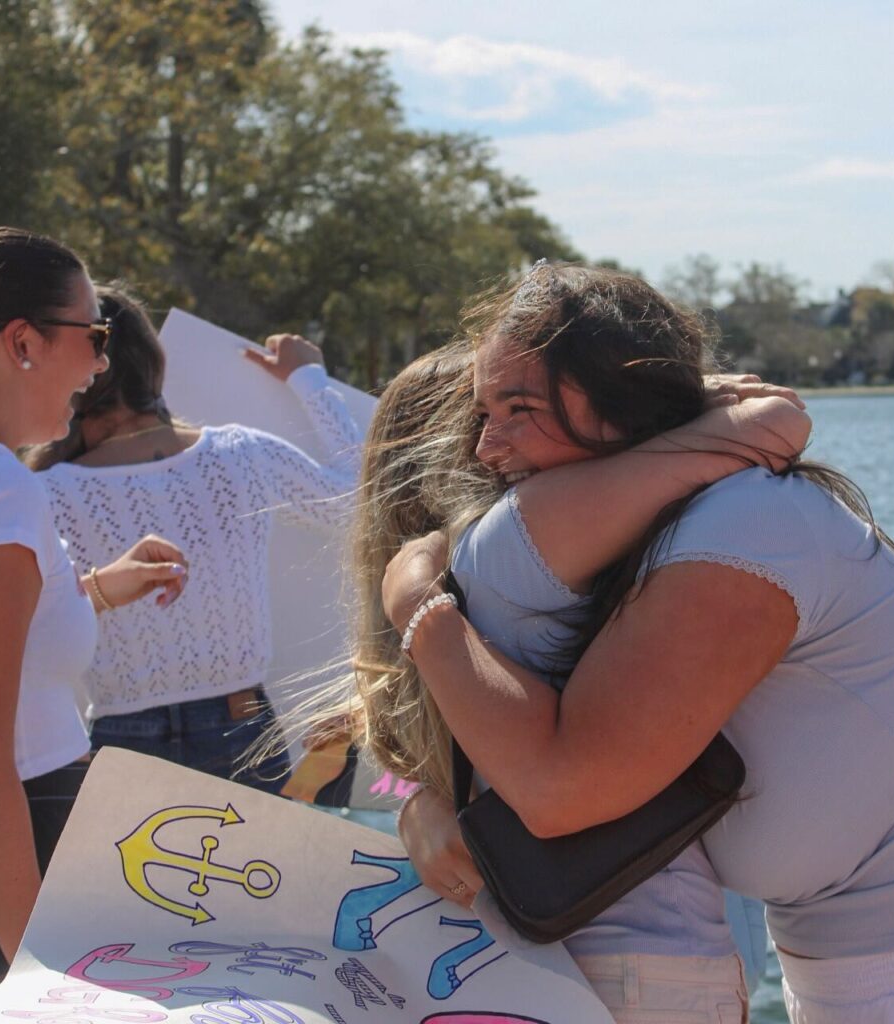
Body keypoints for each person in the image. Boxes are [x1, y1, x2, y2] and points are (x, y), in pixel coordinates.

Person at [382, 263, 894, 1023]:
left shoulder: (742, 526)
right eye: (484, 412)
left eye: (520, 408)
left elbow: (561, 792)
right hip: (893, 971)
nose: (488, 446)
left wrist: (421, 612)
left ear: (625, 402)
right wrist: (433, 800)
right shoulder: (640, 533)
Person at [334, 317, 809, 1022]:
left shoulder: (428, 585)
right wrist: (682, 402)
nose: (502, 438)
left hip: (501, 954)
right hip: (657, 945)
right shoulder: (543, 550)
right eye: (490, 415)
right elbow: (774, 422)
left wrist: (422, 796)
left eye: (520, 410)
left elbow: (414, 747)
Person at [26, 284, 363, 794]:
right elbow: (359, 504)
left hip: (120, 743)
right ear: (152, 362)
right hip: (240, 727)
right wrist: (308, 379)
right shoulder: (242, 454)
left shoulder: (43, 491)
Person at [0, 228, 189, 978]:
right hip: (23, 848)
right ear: (23, 343)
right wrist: (34, 976)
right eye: (94, 335)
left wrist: (98, 590)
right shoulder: (5, 492)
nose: (102, 362)